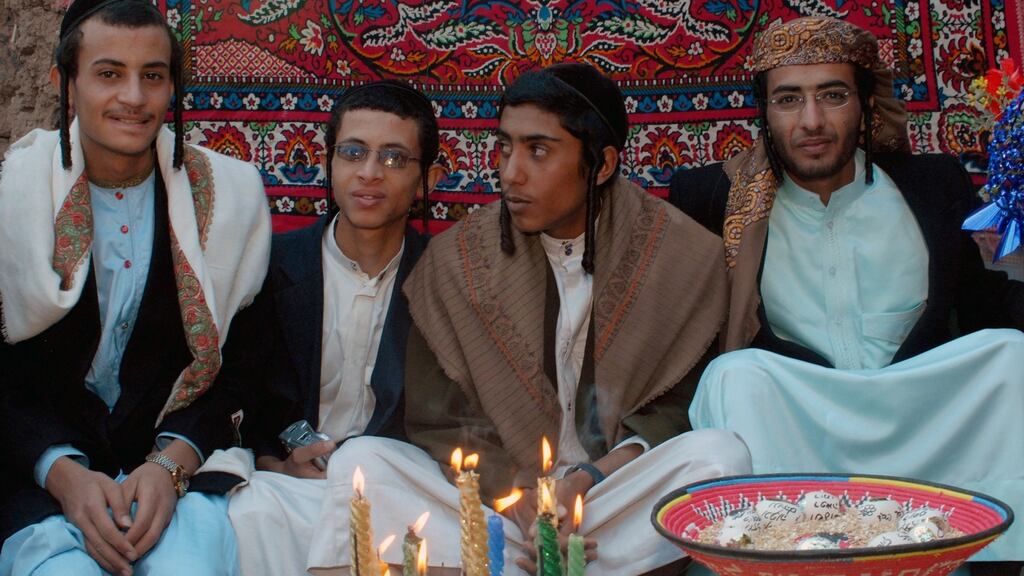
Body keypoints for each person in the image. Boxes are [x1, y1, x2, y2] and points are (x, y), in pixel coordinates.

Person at [304, 63, 752, 576]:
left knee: (720, 456)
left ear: (601, 164)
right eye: (504, 147)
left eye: (538, 150)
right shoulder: (455, 263)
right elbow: (438, 421)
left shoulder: (682, 255)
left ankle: (525, 563)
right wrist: (522, 503)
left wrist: (581, 482)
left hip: (608, 494)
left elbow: (679, 407)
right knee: (362, 462)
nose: (511, 172)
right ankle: (542, 560)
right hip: (499, 505)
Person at [668, 16, 1024, 568]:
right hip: (800, 425)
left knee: (1010, 353)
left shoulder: (931, 183)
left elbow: (984, 309)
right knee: (735, 375)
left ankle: (991, 552)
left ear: (864, 105)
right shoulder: (714, 198)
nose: (812, 121)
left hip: (922, 417)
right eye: (789, 99)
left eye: (832, 96)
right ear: (764, 112)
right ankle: (783, 554)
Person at [0, 1, 271, 575]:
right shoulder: (10, 202)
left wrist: (171, 466)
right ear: (64, 84)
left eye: (153, 75)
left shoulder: (231, 199)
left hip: (179, 476)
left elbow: (245, 366)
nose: (134, 97)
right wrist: (61, 473)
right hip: (34, 483)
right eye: (108, 73)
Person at [219, 80, 444, 576]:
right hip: (291, 489)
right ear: (329, 162)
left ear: (428, 176)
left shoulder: (446, 279)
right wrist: (275, 462)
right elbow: (234, 394)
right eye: (354, 152)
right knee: (245, 515)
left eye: (393, 158)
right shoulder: (270, 267)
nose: (368, 173)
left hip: (398, 490)